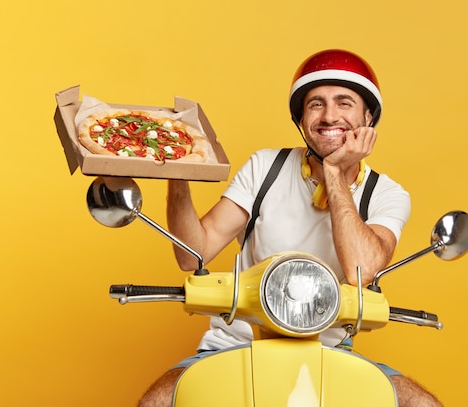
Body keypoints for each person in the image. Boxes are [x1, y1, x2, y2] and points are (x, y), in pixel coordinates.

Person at [139, 49, 442, 407]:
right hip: (235, 345)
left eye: (344, 103)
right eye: (316, 104)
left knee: (424, 405)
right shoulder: (266, 166)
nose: (330, 115)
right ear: (301, 118)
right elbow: (194, 254)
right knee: (155, 402)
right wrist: (178, 175)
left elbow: (363, 269)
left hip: (331, 351)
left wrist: (333, 172)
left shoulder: (386, 193)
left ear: (368, 116)